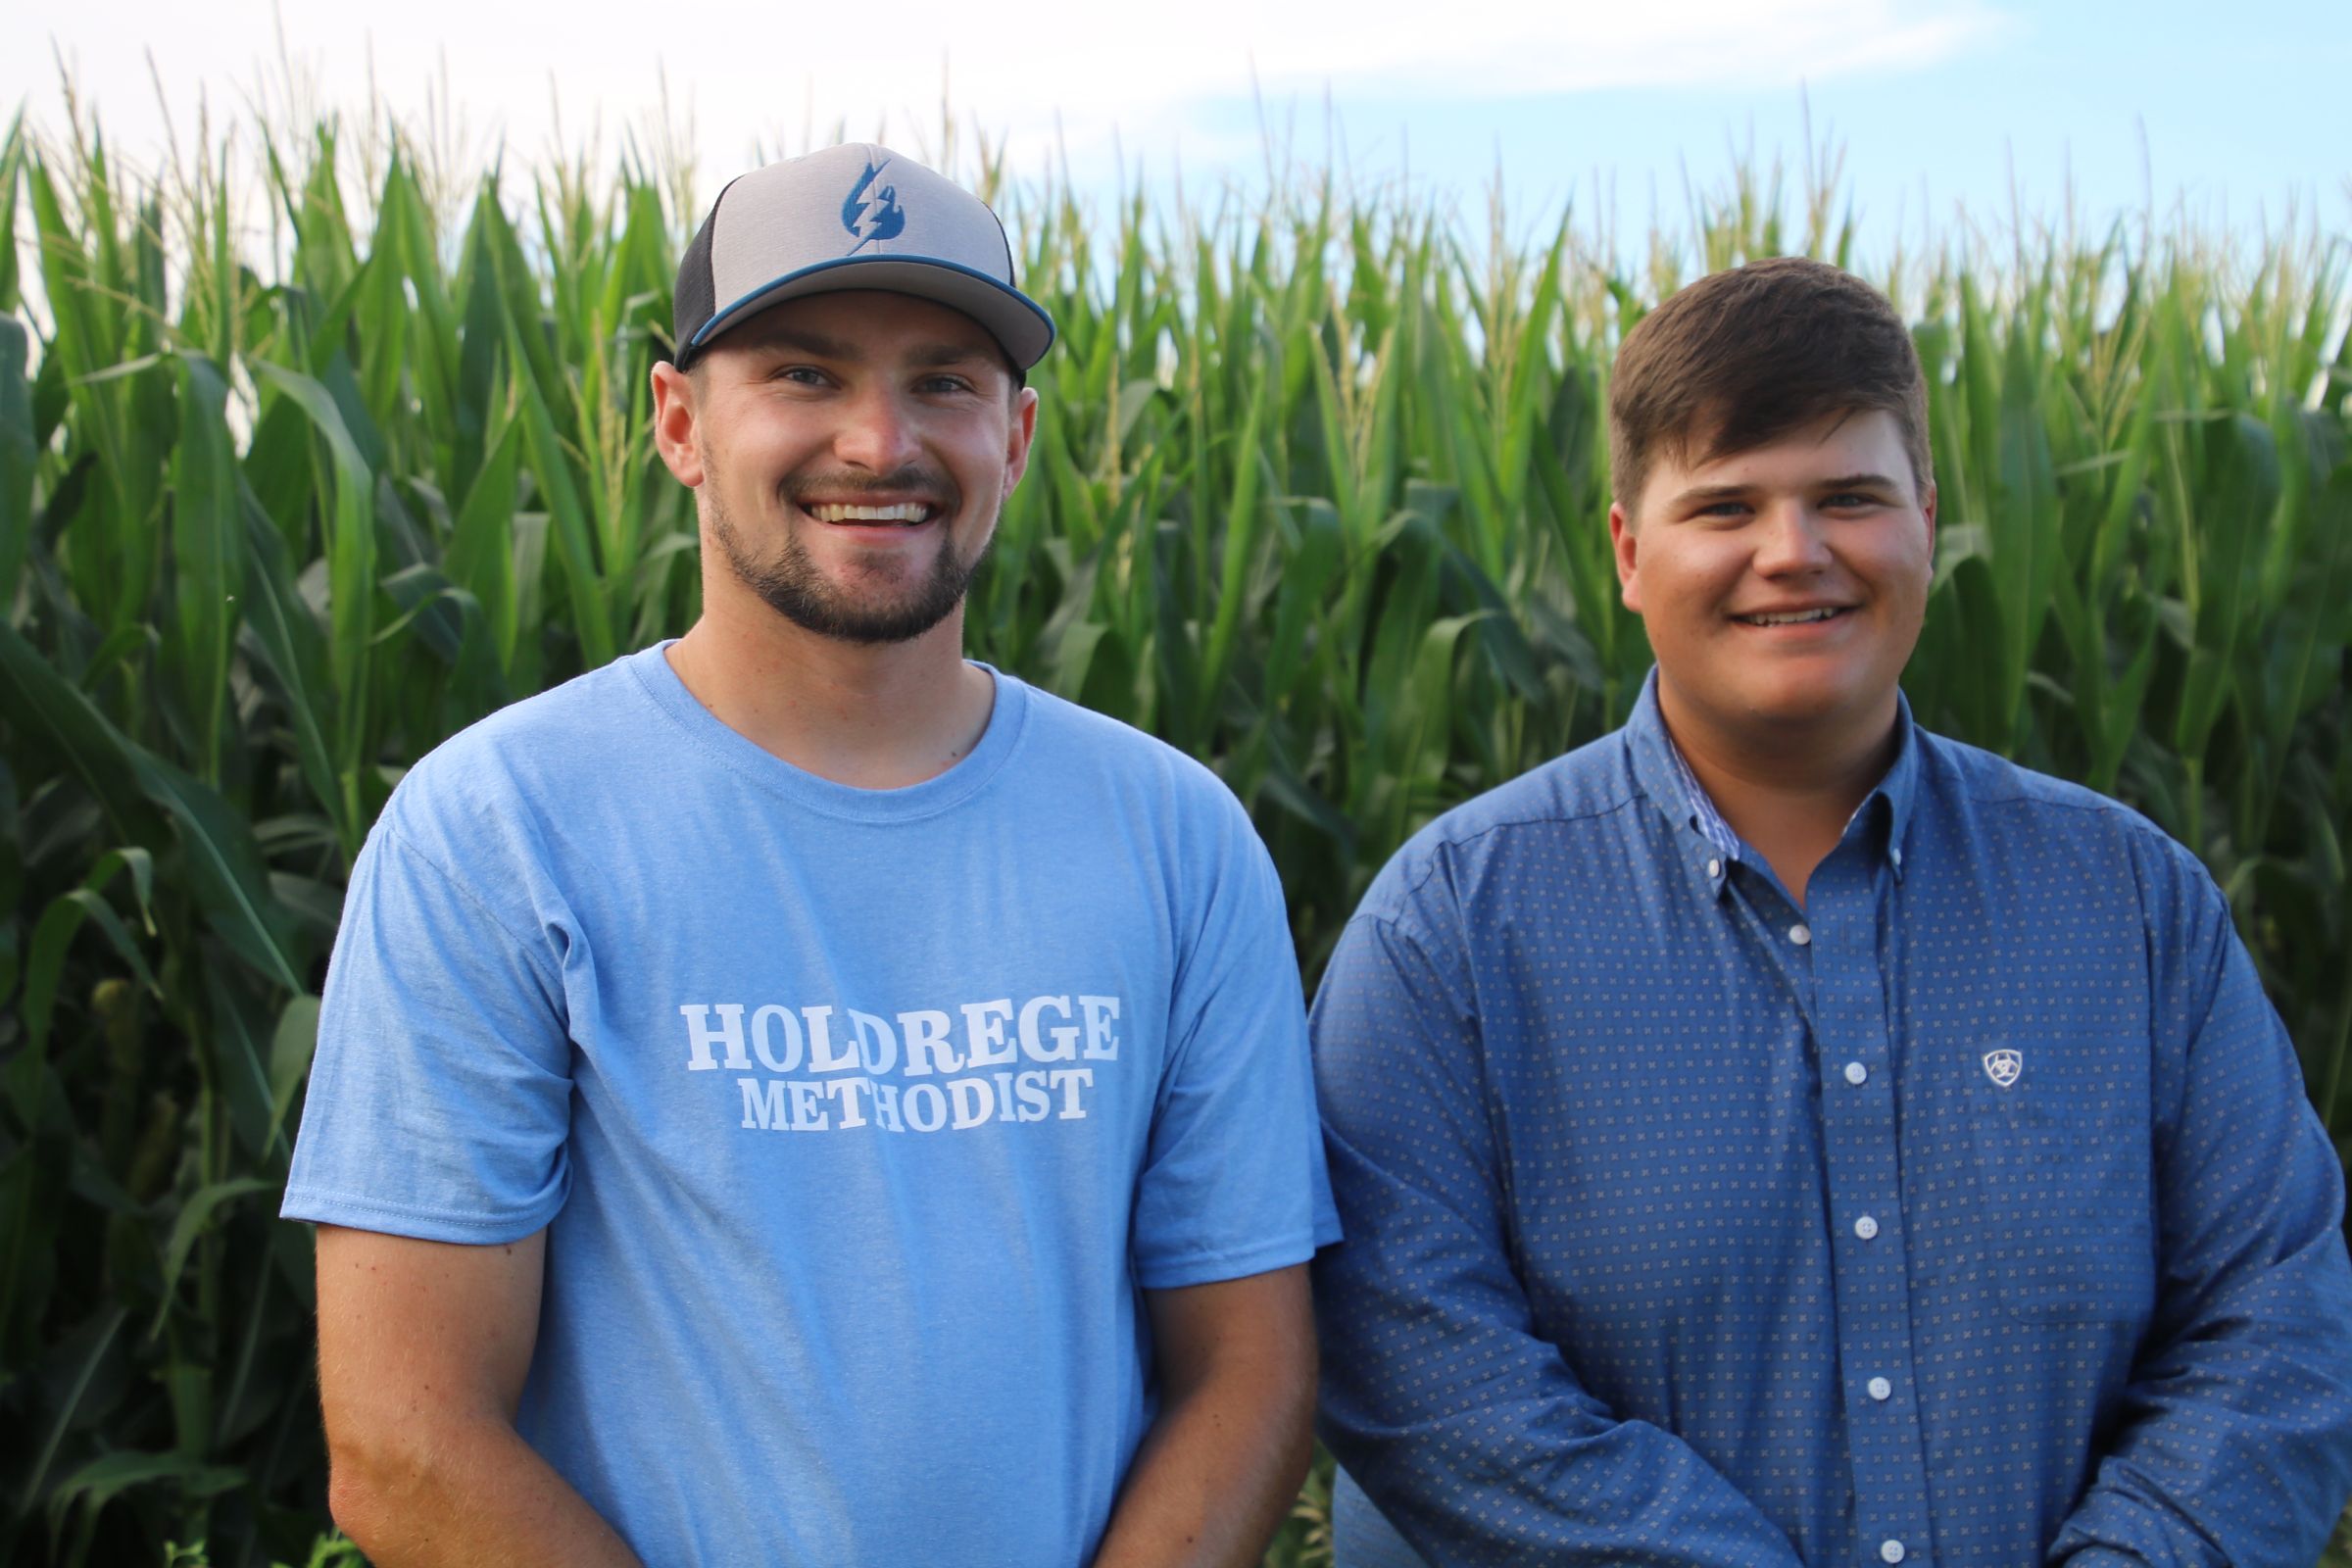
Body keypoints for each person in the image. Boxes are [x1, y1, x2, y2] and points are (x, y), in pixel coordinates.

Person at [282, 142, 1337, 1567]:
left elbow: (1247, 1369)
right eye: (803, 373)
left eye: (945, 382)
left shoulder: (1174, 836)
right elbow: (409, 1444)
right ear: (677, 422)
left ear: (1015, 438)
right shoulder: (497, 831)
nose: (880, 443)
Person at [1309, 256, 2352, 1566]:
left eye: (1849, 497)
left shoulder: (2134, 909)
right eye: (1726, 506)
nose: (1792, 554)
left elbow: (2278, 1324)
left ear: (1927, 516)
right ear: (1630, 554)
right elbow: (1417, 1370)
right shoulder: (1449, 932)